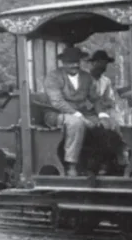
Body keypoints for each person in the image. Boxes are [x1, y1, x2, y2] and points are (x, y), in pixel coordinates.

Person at [43, 46, 111, 176]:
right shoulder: (53, 77)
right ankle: (71, 165)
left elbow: (95, 98)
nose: (74, 65)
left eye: (76, 61)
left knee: (106, 124)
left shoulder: (86, 77)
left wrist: (102, 115)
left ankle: (99, 163)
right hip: (56, 113)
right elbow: (57, 102)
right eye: (70, 62)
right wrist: (80, 116)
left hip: (82, 112)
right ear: (63, 63)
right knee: (76, 123)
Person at [87, 50, 129, 172]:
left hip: (102, 111)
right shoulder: (85, 80)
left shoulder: (106, 81)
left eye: (104, 63)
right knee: (102, 127)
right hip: (89, 112)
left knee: (115, 121)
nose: (102, 66)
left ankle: (121, 152)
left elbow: (110, 100)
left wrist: (103, 105)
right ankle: (105, 160)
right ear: (93, 63)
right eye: (99, 63)